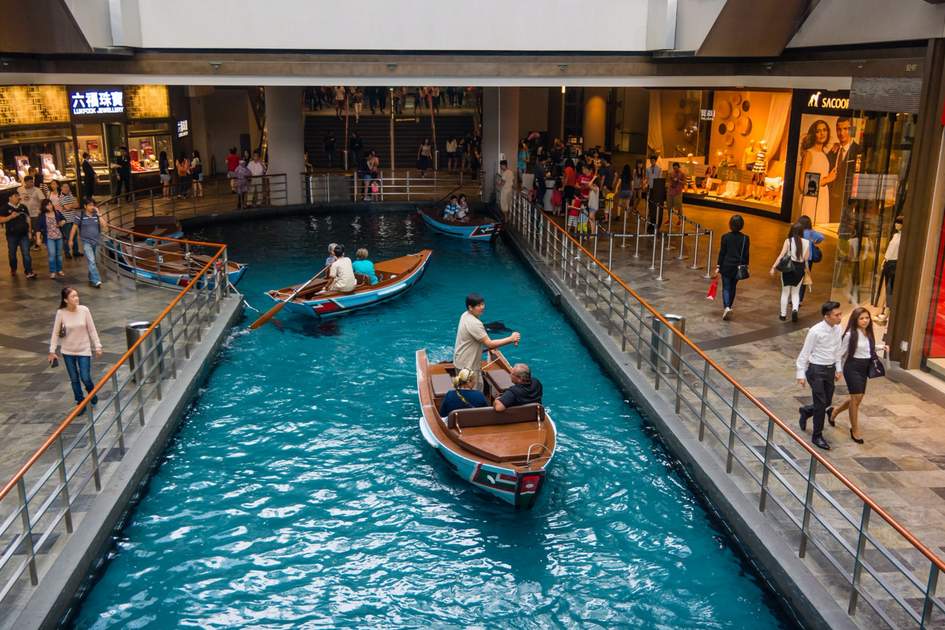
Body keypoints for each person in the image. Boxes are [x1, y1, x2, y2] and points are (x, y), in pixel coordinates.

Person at [796, 301, 844, 451]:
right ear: (827, 316)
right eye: (837, 315)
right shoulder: (815, 331)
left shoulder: (838, 328)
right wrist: (800, 374)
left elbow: (838, 350)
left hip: (830, 370)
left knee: (826, 401)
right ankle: (817, 435)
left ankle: (806, 411)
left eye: (840, 314)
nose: (840, 317)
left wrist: (838, 368)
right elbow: (805, 353)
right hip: (816, 370)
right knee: (821, 401)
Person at [48, 287, 102, 416]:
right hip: (68, 351)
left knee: (86, 377)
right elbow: (55, 333)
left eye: (77, 295)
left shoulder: (84, 310)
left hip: (84, 350)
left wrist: (97, 346)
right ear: (66, 300)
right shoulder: (61, 313)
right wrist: (52, 350)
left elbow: (92, 330)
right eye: (73, 296)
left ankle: (92, 393)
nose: (76, 298)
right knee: (74, 379)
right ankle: (80, 402)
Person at [830, 307, 880, 444]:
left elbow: (867, 348)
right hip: (852, 367)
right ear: (855, 320)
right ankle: (855, 429)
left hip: (864, 367)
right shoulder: (850, 335)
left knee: (857, 400)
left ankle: (834, 412)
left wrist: (881, 347)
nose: (865, 321)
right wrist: (838, 370)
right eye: (861, 318)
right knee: (856, 398)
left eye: (867, 318)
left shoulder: (868, 332)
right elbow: (839, 354)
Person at [453, 293, 521, 391]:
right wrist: (511, 338)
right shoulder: (475, 323)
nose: (482, 307)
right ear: (470, 307)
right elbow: (489, 343)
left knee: (466, 390)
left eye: (482, 304)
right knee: (474, 391)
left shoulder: (465, 315)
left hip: (460, 361)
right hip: (469, 365)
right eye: (478, 305)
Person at [798, 119, 836, 226]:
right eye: (818, 131)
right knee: (807, 234)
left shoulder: (824, 154)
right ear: (813, 134)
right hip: (811, 201)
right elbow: (802, 186)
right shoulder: (809, 154)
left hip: (823, 199)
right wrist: (827, 179)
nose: (822, 133)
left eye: (824, 130)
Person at [770, 222, 810, 322]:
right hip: (799, 269)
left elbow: (781, 256)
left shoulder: (788, 241)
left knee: (785, 292)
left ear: (792, 230)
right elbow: (806, 258)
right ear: (802, 232)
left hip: (788, 268)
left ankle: (783, 315)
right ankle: (795, 309)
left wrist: (773, 267)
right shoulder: (807, 242)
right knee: (796, 293)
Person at [715, 214, 749, 321]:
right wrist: (746, 265)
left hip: (726, 265)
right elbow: (746, 254)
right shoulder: (745, 238)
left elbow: (722, 253)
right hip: (737, 267)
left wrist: (718, 265)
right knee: (733, 287)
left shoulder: (725, 237)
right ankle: (729, 306)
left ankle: (727, 307)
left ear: (730, 224)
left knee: (726, 287)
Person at [827, 117, 861, 223]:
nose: (842, 133)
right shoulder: (832, 151)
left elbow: (858, 179)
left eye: (846, 129)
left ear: (851, 130)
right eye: (839, 129)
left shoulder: (859, 150)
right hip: (829, 202)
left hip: (847, 204)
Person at [0, 191, 35, 279]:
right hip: (11, 236)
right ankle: (13, 268)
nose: (18, 197)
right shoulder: (4, 208)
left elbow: (28, 219)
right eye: (16, 196)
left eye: (18, 196)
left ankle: (29, 271)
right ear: (10, 197)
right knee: (12, 254)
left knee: (26, 253)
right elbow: (0, 220)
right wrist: (10, 217)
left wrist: (30, 232)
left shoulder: (23, 207)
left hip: (24, 235)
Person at [876, 215, 902, 324]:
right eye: (896, 222)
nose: (896, 224)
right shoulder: (896, 236)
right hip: (889, 263)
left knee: (891, 289)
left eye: (899, 223)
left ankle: (887, 315)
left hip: (895, 264)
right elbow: (890, 250)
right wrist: (884, 260)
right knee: (888, 288)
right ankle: (886, 314)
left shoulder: (903, 238)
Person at [797, 214, 824, 307]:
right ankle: (799, 299)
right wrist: (814, 241)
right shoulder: (811, 232)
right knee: (804, 279)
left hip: (797, 257)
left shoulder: (797, 231)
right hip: (808, 259)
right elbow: (821, 237)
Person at [78, 198, 104, 288]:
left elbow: (105, 225)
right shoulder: (80, 215)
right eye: (90, 205)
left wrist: (99, 214)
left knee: (95, 262)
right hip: (86, 242)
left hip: (96, 242)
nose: (92, 207)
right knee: (91, 261)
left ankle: (91, 277)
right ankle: (97, 280)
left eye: (93, 205)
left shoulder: (97, 215)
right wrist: (70, 240)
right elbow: (74, 227)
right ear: (85, 206)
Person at [38, 199, 66, 278]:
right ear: (44, 206)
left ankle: (59, 270)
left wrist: (62, 223)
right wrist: (38, 238)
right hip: (49, 237)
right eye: (47, 205)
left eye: (50, 204)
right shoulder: (42, 216)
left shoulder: (57, 212)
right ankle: (53, 271)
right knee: (52, 254)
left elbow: (64, 219)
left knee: (59, 254)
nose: (50, 206)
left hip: (59, 236)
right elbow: (38, 228)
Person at [17, 175, 44, 250]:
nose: (32, 183)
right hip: (24, 214)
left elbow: (42, 200)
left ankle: (37, 244)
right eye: (30, 182)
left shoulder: (37, 190)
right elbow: (17, 199)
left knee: (36, 229)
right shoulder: (19, 189)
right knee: (26, 229)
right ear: (25, 182)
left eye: (32, 182)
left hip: (35, 213)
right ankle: (29, 242)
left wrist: (40, 210)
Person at [59, 182, 80, 258]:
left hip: (73, 219)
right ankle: (67, 253)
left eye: (67, 187)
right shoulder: (61, 197)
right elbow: (67, 208)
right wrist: (72, 205)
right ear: (61, 188)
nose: (66, 188)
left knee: (75, 236)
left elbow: (77, 205)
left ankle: (76, 251)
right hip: (66, 220)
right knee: (67, 237)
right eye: (64, 187)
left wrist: (69, 206)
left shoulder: (71, 195)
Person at [666, 162, 686, 228]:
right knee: (669, 206)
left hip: (678, 192)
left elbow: (684, 182)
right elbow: (669, 180)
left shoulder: (682, 174)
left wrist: (678, 180)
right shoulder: (671, 173)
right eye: (674, 168)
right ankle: (669, 219)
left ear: (678, 167)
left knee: (679, 206)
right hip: (670, 191)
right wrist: (669, 178)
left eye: (676, 167)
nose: (675, 169)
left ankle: (679, 220)